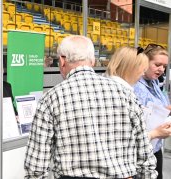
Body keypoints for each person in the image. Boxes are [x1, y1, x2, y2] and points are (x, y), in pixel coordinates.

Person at [24, 35, 157, 179]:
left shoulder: (50, 98)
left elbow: (36, 168)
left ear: (62, 61)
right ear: (92, 61)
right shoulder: (126, 94)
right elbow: (145, 156)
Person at [134, 43, 171, 179]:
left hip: (155, 146)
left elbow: (164, 105)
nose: (161, 69)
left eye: (164, 67)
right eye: (157, 65)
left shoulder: (155, 82)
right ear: (145, 62)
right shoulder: (135, 85)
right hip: (141, 149)